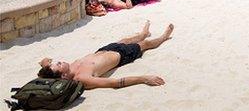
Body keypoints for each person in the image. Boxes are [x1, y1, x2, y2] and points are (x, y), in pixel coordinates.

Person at [37, 21, 173, 90]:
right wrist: (143, 78)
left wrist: (45, 63)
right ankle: (163, 37)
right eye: (58, 65)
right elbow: (114, 83)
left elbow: (44, 69)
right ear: (63, 76)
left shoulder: (67, 68)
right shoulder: (82, 78)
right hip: (122, 55)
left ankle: (143, 33)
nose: (59, 62)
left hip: (103, 50)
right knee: (145, 44)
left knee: (127, 39)